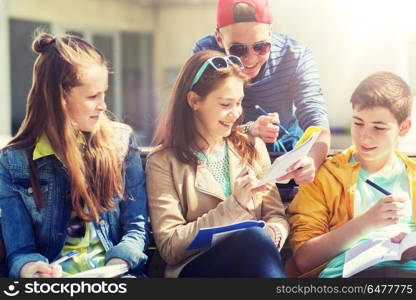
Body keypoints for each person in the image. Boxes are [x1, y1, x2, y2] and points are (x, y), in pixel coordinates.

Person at [0, 32, 149, 278]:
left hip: (117, 276)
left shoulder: (120, 143)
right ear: (58, 99)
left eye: (104, 94)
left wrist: (119, 262)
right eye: (92, 97)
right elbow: (20, 250)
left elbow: (136, 227)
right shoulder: (13, 162)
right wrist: (31, 269)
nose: (103, 105)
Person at [146, 50, 288, 278]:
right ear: (194, 101)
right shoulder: (163, 162)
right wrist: (236, 205)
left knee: (256, 238)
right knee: (253, 237)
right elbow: (170, 246)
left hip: (252, 265)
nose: (235, 113)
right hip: (195, 269)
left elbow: (276, 215)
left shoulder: (252, 147)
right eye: (225, 104)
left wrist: (275, 233)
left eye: (239, 102)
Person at [287, 72, 416, 277]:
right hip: (348, 273)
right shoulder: (325, 176)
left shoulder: (413, 175)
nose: (365, 135)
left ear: (404, 127)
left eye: (379, 127)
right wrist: (366, 223)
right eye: (358, 123)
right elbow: (304, 260)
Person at [193, 0, 331, 184]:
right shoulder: (207, 54)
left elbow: (316, 119)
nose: (250, 59)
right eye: (238, 50)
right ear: (219, 39)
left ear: (270, 33)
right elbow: (198, 122)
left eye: (261, 47)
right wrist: (250, 130)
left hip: (286, 156)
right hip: (228, 156)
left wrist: (312, 161)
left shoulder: (295, 54)